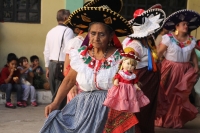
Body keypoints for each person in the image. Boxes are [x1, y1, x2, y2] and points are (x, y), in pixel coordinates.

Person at [40, 6, 137, 133]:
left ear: (110, 35)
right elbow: (69, 80)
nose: (96, 38)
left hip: (110, 109)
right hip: (83, 108)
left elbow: (129, 83)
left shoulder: (120, 57)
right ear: (88, 34)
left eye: (101, 34)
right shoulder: (81, 55)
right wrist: (55, 103)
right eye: (93, 33)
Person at [122, 8, 166, 133]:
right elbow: (128, 64)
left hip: (150, 79)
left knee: (148, 108)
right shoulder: (134, 45)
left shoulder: (147, 40)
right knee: (139, 108)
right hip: (141, 79)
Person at [155, 9, 200, 128]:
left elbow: (193, 54)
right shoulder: (168, 38)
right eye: (184, 24)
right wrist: (155, 64)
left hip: (184, 71)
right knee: (167, 94)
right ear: (177, 26)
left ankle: (175, 120)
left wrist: (195, 65)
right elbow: (159, 53)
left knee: (179, 97)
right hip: (170, 69)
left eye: (187, 24)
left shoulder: (191, 40)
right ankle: (163, 118)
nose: (186, 26)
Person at [43, 9, 74, 109]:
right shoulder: (68, 31)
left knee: (55, 95)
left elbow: (46, 51)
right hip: (62, 65)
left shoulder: (50, 32)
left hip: (52, 65)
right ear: (66, 18)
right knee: (61, 96)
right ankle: (56, 119)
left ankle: (54, 117)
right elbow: (70, 50)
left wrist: (47, 67)